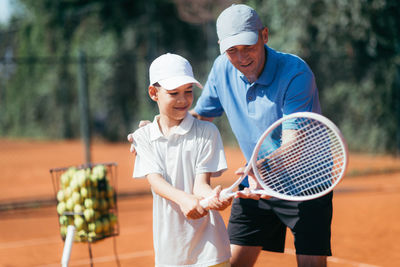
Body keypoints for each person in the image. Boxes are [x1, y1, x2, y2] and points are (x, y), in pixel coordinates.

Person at [188, 4, 332, 267]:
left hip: (307, 184)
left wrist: (258, 167)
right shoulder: (222, 69)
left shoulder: (295, 73)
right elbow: (199, 118)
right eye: (232, 50)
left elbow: (294, 145)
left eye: (248, 47)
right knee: (234, 263)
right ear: (222, 47)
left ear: (264, 36)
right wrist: (162, 126)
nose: (242, 58)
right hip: (255, 184)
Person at [131, 53, 232, 267]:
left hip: (211, 251)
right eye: (174, 93)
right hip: (170, 253)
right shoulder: (142, 136)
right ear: (153, 93)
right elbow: (156, 182)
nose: (183, 100)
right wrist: (184, 199)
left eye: (188, 91)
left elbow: (201, 185)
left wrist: (213, 198)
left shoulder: (207, 132)